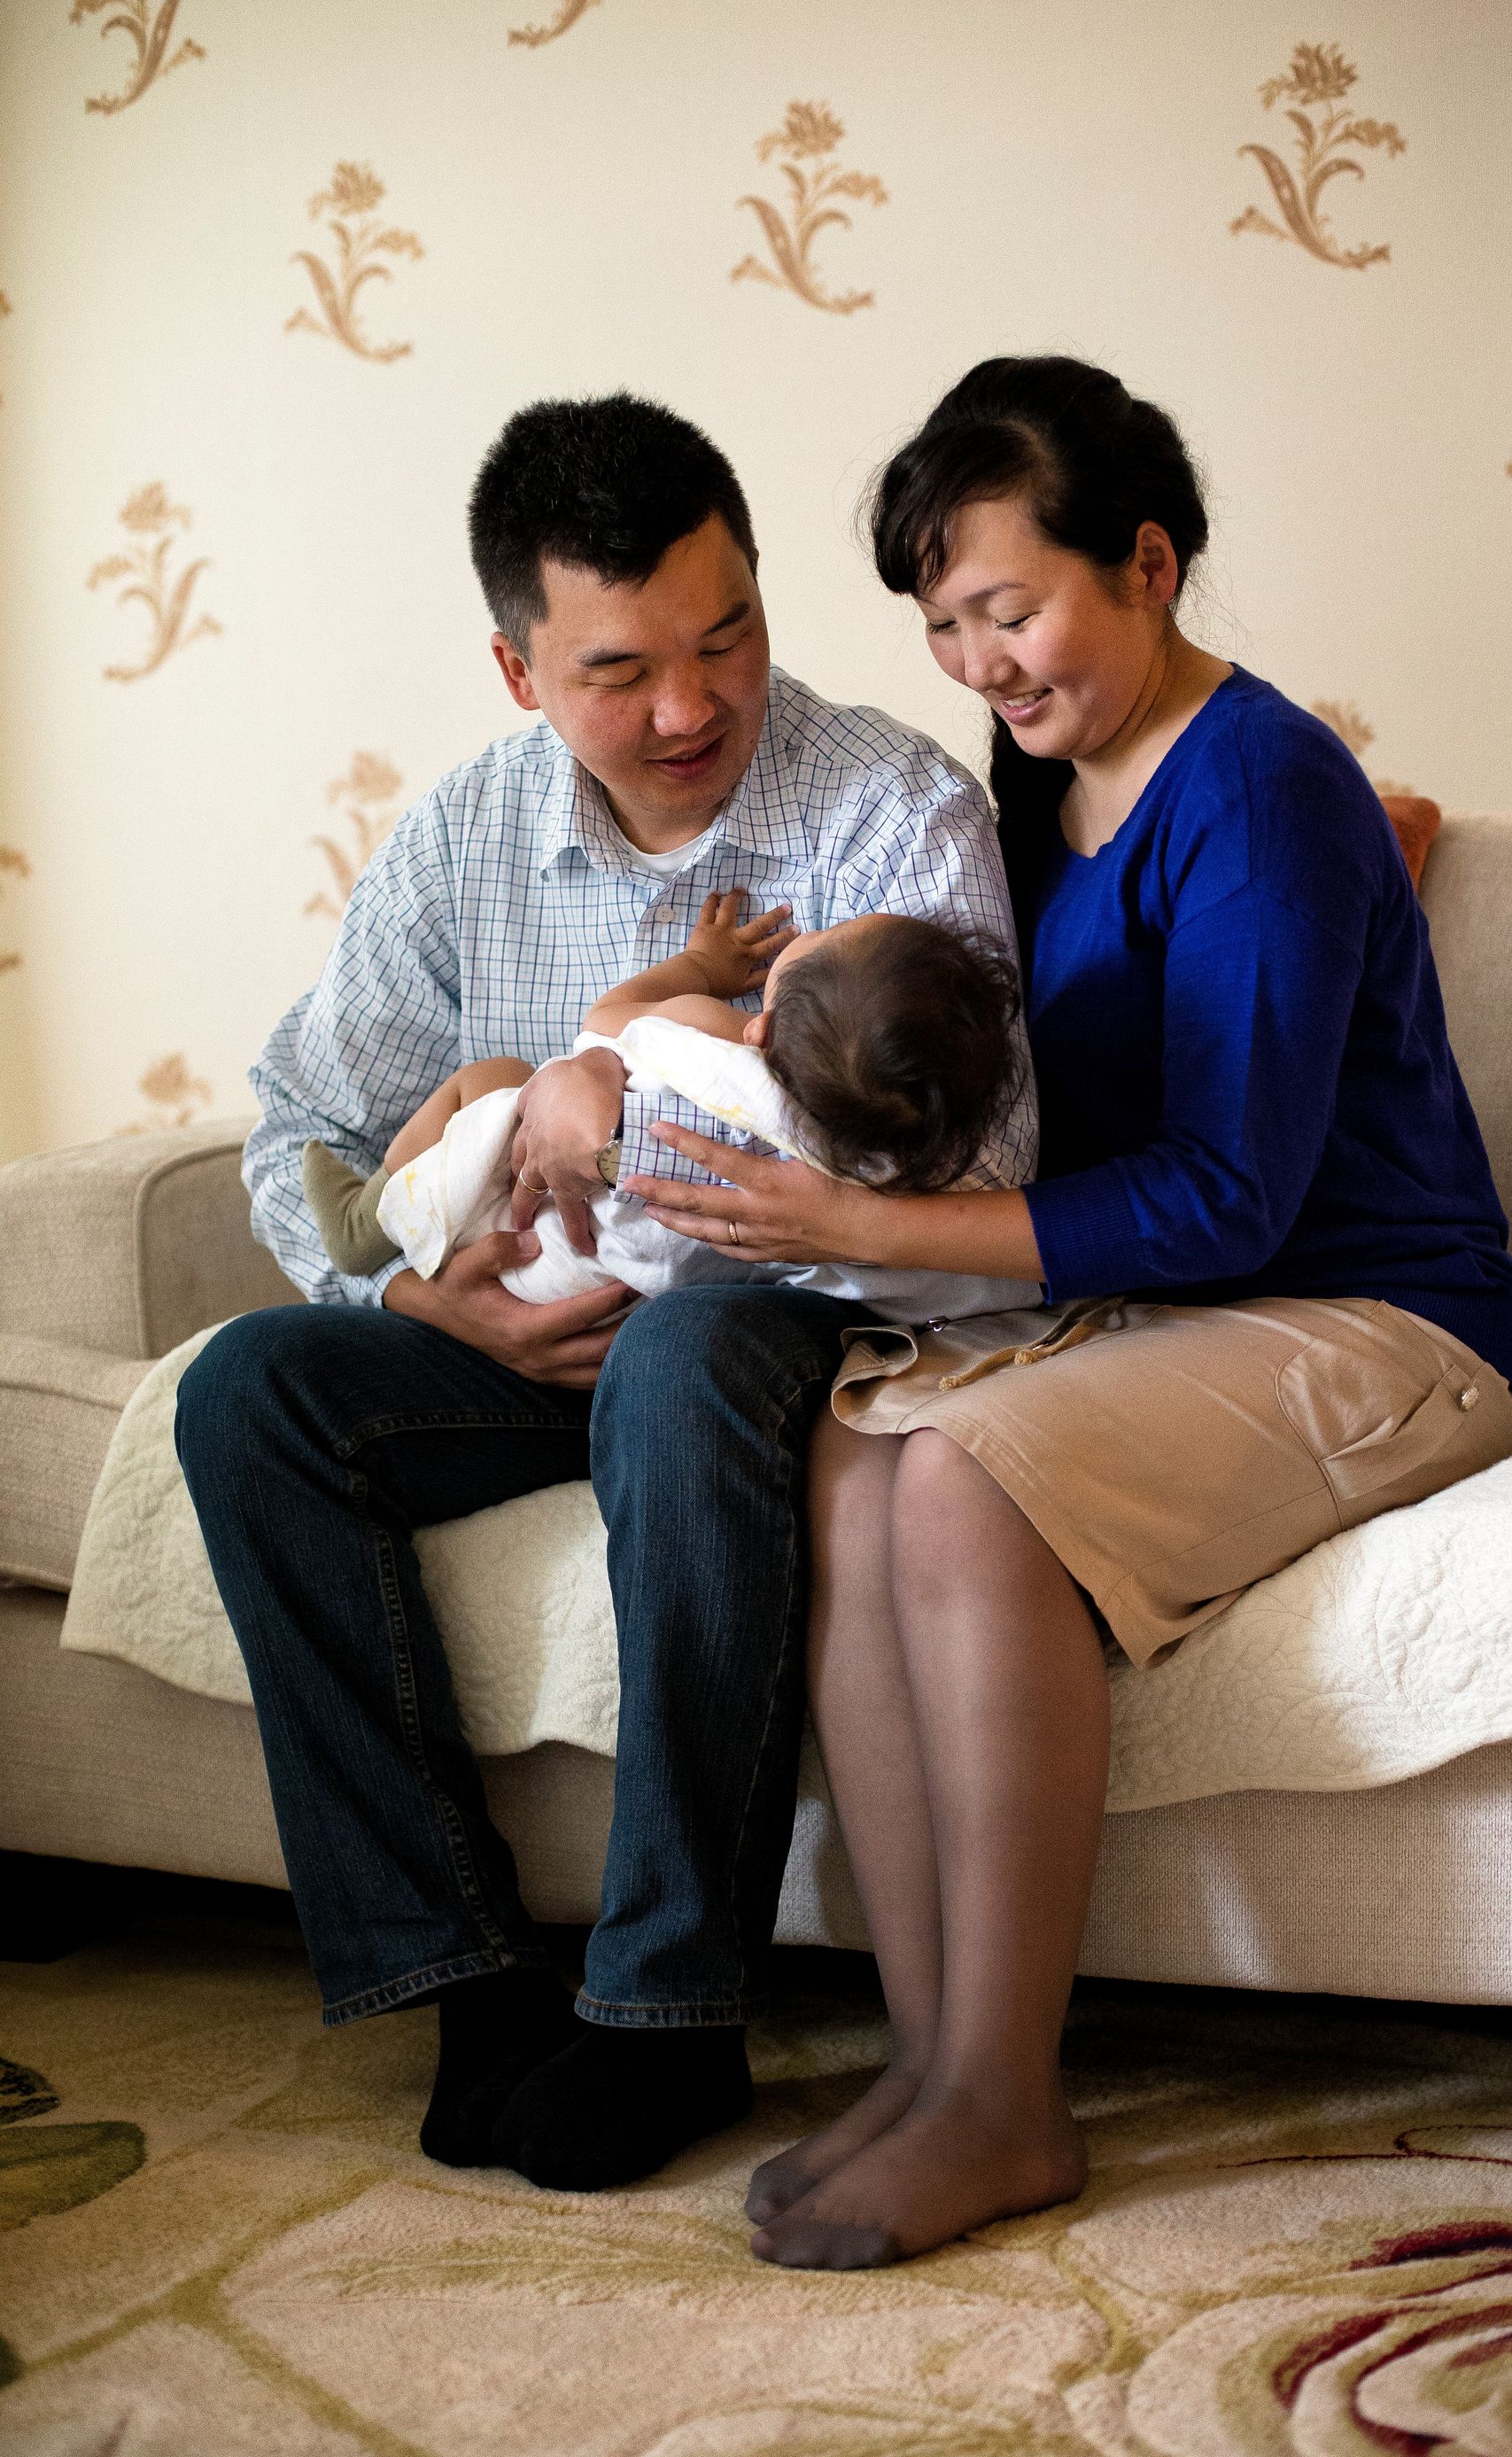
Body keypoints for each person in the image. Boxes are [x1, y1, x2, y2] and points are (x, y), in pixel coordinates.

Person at [625, 355, 1512, 2268]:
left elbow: (1234, 1191)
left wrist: (860, 1216)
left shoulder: (1264, 780)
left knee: (957, 1471)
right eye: (946, 624)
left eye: (1013, 609)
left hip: (1393, 1320)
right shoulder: (1045, 789)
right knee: (860, 1449)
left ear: (1149, 561)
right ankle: (932, 2049)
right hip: (1192, 1313)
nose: (983, 662)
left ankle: (1004, 2098)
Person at [173, 389, 1035, 2192]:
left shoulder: (895, 813)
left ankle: (665, 2011)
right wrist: (423, 1313)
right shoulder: (462, 844)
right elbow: (299, 1132)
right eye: (621, 670)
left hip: (771, 1335)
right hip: (515, 1334)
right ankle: (470, 1981)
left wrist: (705, 1176)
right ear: (518, 674)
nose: (689, 708)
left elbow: (992, 1166)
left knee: (692, 1358)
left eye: (728, 638)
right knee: (250, 1393)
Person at [299, 889, 1034, 1326]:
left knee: (492, 1078)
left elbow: (610, 1016)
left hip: (532, 1235)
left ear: (762, 1030)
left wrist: (702, 968)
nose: (807, 932)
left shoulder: (719, 1049)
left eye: (817, 944)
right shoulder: (884, 1160)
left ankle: (368, 1220)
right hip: (621, 1294)